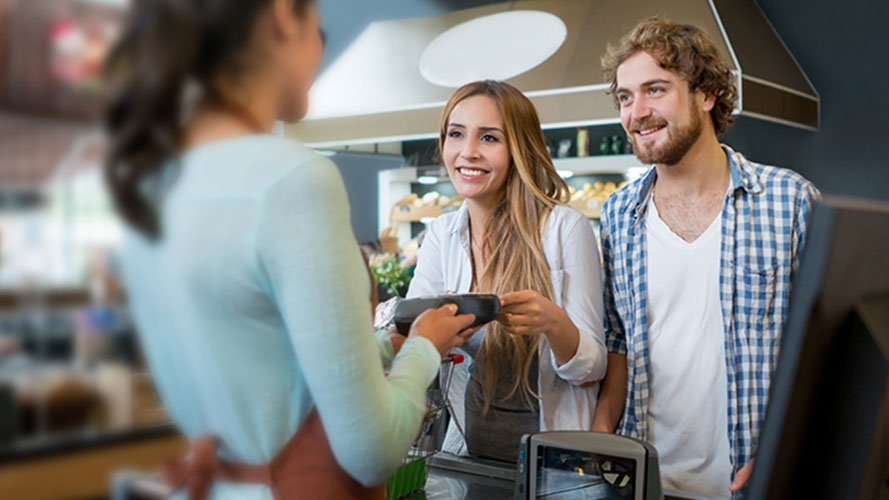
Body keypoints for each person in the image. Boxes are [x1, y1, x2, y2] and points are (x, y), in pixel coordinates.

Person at [103, 0, 476, 498]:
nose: (322, 46)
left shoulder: (152, 181)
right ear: (282, 13)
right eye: (316, 24)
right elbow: (371, 449)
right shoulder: (292, 182)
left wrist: (386, 347)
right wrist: (425, 349)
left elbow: (259, 362)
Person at [590, 18, 820, 497]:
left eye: (655, 90)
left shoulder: (789, 201)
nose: (637, 112)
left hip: (752, 480)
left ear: (707, 94)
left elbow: (825, 349)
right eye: (625, 97)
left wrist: (790, 447)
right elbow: (618, 341)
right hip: (645, 481)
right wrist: (600, 440)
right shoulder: (617, 215)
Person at [407, 80, 607, 462]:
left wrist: (553, 322)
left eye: (489, 138)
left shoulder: (564, 228)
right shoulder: (442, 234)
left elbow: (592, 368)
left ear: (519, 147)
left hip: (552, 468)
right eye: (456, 134)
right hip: (467, 457)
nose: (468, 152)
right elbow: (414, 330)